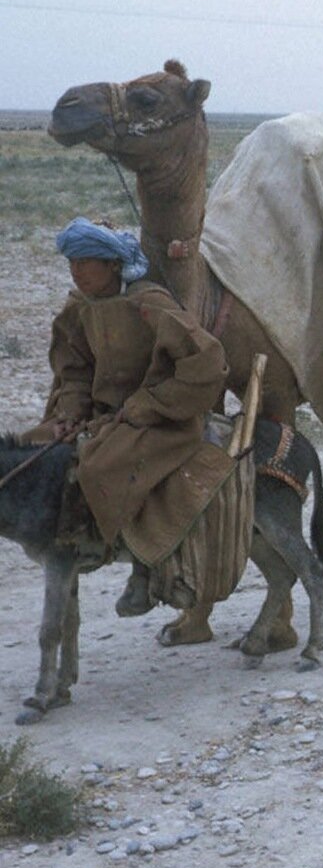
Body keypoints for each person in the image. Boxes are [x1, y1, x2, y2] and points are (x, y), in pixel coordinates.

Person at [28, 218, 232, 615]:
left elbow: (206, 362)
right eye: (71, 262)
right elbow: (75, 370)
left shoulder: (149, 304)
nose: (76, 272)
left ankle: (143, 565)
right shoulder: (80, 310)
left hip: (163, 418)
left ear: (113, 265)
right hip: (104, 416)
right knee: (31, 448)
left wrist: (149, 404)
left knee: (102, 464)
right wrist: (70, 411)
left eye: (86, 262)